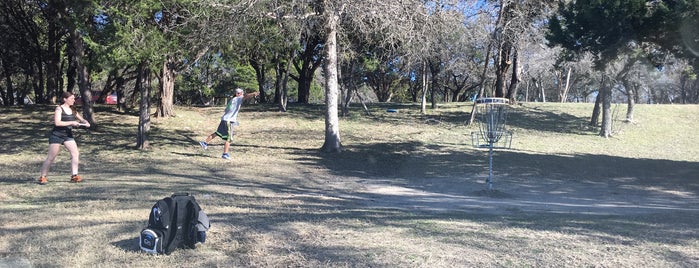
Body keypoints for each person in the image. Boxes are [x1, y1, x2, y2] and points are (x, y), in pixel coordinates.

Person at [39, 91, 91, 185]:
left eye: (74, 98)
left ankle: (74, 176)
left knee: (75, 154)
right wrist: (71, 123)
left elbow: (81, 118)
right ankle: (43, 177)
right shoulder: (59, 109)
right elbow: (57, 123)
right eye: (71, 99)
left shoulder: (73, 109)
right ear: (65, 99)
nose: (73, 100)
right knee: (51, 157)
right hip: (56, 135)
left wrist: (85, 122)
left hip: (68, 135)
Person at [200, 88, 245, 159]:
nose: (243, 94)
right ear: (238, 94)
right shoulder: (237, 99)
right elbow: (246, 96)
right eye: (242, 93)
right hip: (228, 121)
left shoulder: (232, 100)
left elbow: (226, 110)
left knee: (218, 133)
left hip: (224, 119)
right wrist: (253, 94)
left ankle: (204, 143)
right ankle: (225, 154)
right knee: (229, 139)